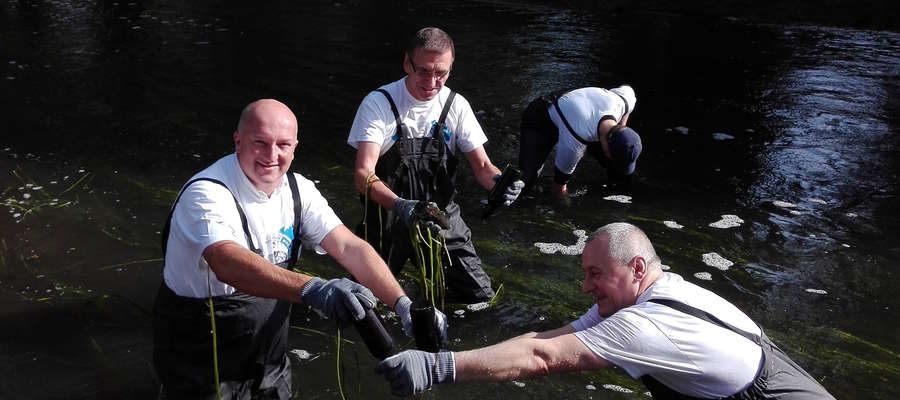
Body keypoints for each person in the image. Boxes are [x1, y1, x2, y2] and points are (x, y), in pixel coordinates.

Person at [152, 99, 440, 400]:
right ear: (238, 141)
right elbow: (227, 261)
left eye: (282, 145)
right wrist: (314, 288)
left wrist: (402, 304)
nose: (271, 155)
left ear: (295, 148)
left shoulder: (298, 189)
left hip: (269, 357)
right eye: (260, 143)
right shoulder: (207, 193)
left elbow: (350, 247)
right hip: (200, 356)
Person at [376, 222, 836, 399]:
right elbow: (544, 342)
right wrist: (447, 360)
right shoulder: (663, 289)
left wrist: (441, 368)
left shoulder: (641, 326)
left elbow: (543, 361)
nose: (585, 286)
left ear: (636, 267)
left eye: (596, 274)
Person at [348, 27, 523, 305]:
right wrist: (402, 206)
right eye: (424, 72)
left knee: (480, 300)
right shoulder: (379, 103)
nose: (432, 82)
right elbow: (362, 175)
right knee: (360, 306)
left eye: (441, 73)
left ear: (450, 68)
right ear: (407, 63)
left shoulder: (456, 105)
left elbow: (483, 167)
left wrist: (503, 185)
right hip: (388, 220)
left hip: (442, 220)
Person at [518, 86, 642, 198]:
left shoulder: (623, 102)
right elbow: (558, 189)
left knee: (619, 173)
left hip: (577, 108)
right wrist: (567, 207)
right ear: (606, 149)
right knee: (525, 181)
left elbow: (629, 90)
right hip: (542, 118)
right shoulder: (575, 143)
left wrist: (622, 123)